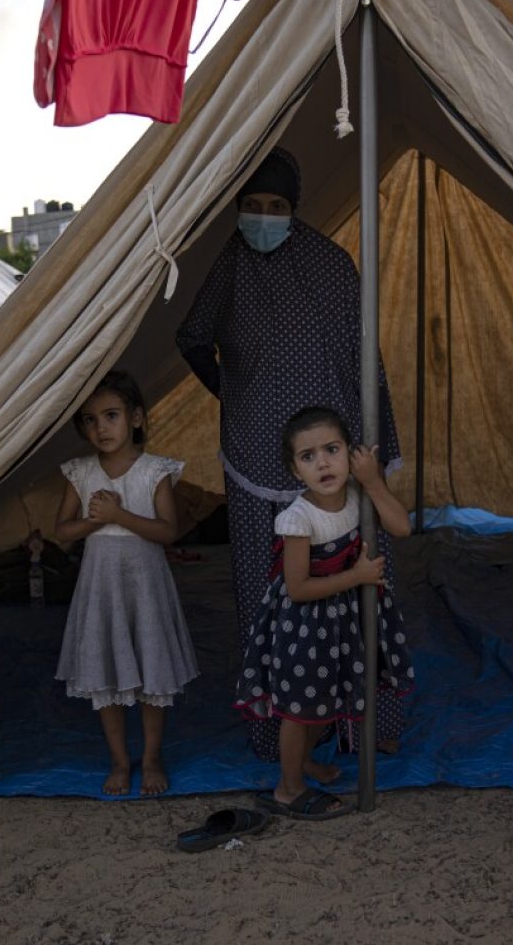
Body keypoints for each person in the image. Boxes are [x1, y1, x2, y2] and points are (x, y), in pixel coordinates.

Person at [176, 146, 405, 761]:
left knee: (358, 590)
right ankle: (282, 730)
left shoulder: (329, 265)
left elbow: (364, 361)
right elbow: (192, 336)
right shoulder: (228, 264)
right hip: (255, 456)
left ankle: (365, 721)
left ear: (294, 209)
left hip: (331, 458)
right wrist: (231, 390)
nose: (263, 217)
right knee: (267, 594)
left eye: (275, 207)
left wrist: (371, 451)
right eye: (251, 206)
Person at [236, 406, 414, 819]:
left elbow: (402, 527)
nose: (323, 463)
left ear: (350, 455)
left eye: (332, 450)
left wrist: (373, 481)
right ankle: (288, 788)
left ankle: (303, 763)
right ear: (296, 471)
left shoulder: (357, 494)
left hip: (343, 620)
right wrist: (357, 577)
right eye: (308, 456)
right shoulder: (297, 518)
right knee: (300, 710)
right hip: (306, 626)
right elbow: (298, 589)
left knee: (326, 700)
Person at [54, 370, 199, 797]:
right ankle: (120, 760)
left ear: (136, 418)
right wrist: (92, 521)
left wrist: (119, 517)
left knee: (152, 673)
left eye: (111, 415)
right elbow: (62, 531)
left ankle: (151, 757)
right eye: (89, 419)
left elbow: (168, 532)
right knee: (107, 673)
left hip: (146, 589)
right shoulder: (79, 472)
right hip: (101, 589)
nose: (100, 428)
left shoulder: (155, 471)